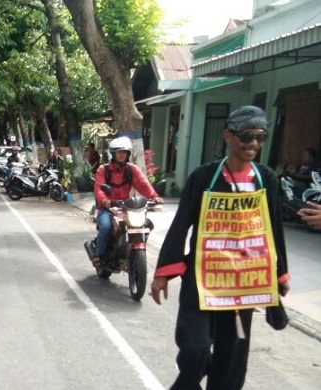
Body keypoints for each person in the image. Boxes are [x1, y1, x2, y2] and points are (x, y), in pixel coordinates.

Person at [150, 105, 291, 390]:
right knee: (195, 350)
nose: (253, 144)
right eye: (246, 136)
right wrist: (163, 272)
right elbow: (181, 224)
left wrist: (280, 274)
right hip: (202, 280)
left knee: (232, 358)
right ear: (228, 135)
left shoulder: (267, 180)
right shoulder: (203, 177)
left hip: (243, 282)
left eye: (260, 138)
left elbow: (273, 227)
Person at [89, 136, 163, 267]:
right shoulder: (103, 170)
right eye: (119, 152)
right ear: (113, 153)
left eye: (125, 152)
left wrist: (154, 197)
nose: (122, 155)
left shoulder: (131, 169)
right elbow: (99, 189)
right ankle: (98, 254)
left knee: (146, 225)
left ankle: (133, 251)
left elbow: (143, 184)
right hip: (108, 208)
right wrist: (105, 200)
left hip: (127, 208)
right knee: (106, 226)